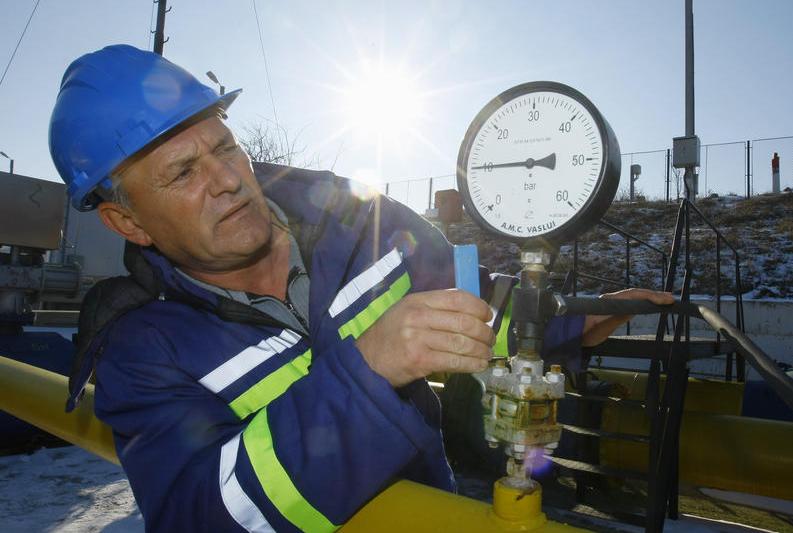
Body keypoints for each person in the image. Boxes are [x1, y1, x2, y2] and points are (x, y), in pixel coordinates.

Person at [51, 45, 671, 532]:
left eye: (224, 147)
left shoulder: (355, 219)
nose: (227, 181)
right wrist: (366, 369)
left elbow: (463, 300)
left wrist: (567, 321)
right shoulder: (143, 350)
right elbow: (200, 516)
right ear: (126, 221)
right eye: (183, 171)